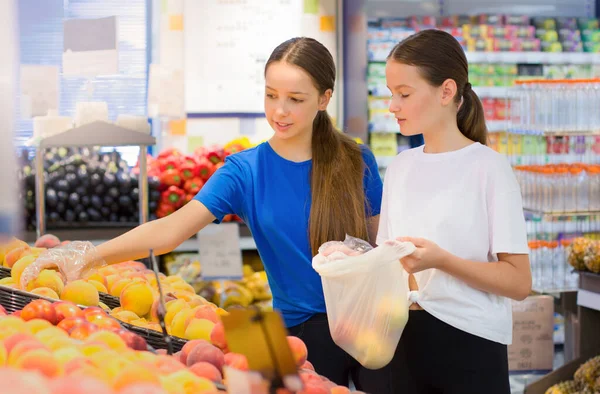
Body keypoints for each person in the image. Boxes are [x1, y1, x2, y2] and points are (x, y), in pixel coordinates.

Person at [22, 37, 389, 391]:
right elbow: (170, 230)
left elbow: (379, 248)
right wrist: (88, 254)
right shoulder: (245, 171)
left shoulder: (356, 161)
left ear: (324, 98)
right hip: (291, 335)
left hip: (370, 329)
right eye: (271, 95)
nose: (279, 110)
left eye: (295, 99)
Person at [378, 29, 532, 394]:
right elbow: (388, 263)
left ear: (447, 91)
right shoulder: (400, 166)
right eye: (390, 95)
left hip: (471, 344)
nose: (392, 106)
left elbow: (519, 282)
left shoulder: (489, 168)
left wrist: (441, 260)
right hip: (403, 342)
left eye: (404, 94)